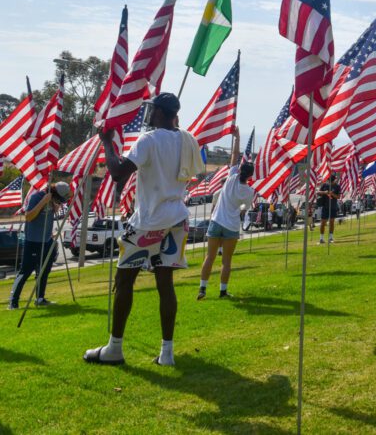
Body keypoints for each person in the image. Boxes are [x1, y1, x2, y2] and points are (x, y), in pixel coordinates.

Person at [85, 92, 205, 366]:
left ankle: (114, 349)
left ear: (160, 113)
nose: (148, 115)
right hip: (177, 218)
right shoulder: (188, 139)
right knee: (166, 286)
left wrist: (107, 144)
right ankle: (167, 353)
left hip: (148, 221)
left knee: (124, 282)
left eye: (152, 111)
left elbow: (118, 173)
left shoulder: (148, 140)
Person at [198, 128, 255, 300]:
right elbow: (245, 207)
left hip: (216, 221)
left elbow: (234, 156)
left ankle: (202, 289)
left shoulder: (230, 177)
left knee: (210, 257)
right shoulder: (249, 191)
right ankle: (223, 291)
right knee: (226, 261)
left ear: (239, 170)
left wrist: (236, 138)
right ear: (250, 176)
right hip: (231, 226)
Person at [8, 181, 70, 310]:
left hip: (47, 241)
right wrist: (43, 202)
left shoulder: (53, 202)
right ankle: (13, 303)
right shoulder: (36, 197)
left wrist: (54, 209)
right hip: (32, 241)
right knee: (25, 272)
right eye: (58, 198)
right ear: (53, 192)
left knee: (43, 271)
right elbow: (29, 217)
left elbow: (46, 220)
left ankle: (40, 299)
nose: (59, 201)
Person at [317, 173, 341, 244]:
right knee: (323, 222)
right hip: (325, 206)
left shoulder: (337, 186)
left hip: (333, 206)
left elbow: (338, 197)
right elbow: (318, 192)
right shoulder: (325, 185)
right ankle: (321, 238)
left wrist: (332, 194)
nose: (332, 182)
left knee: (331, 222)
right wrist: (325, 192)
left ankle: (330, 237)